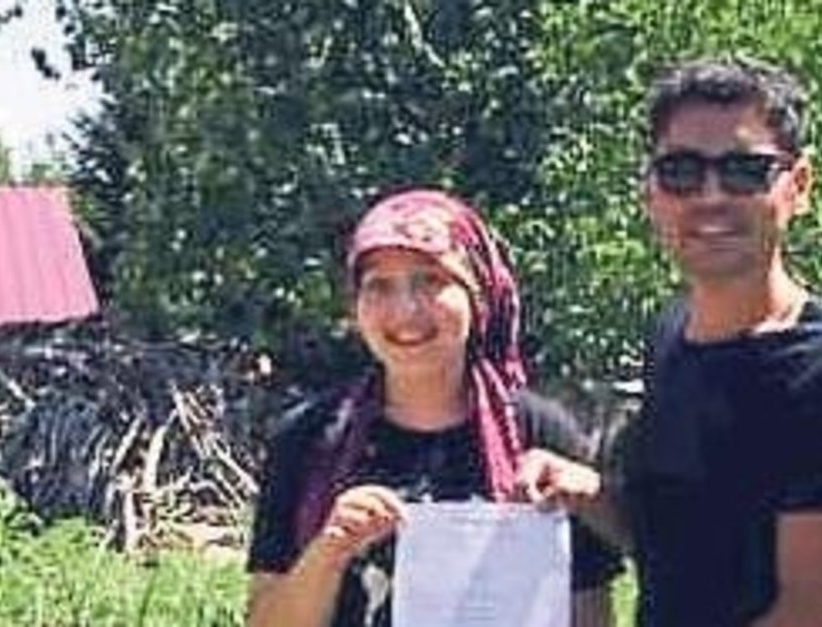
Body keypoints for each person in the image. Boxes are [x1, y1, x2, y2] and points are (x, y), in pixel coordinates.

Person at [521, 57, 822, 626]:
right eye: (681, 171)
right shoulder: (671, 338)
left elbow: (807, 616)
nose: (710, 196)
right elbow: (674, 553)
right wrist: (586, 491)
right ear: (650, 192)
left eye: (745, 171)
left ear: (798, 186)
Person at [246, 189, 622, 627]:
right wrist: (329, 551)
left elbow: (590, 614)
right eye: (380, 286)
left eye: (431, 280)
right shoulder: (308, 439)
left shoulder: (540, 436)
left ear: (478, 295)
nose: (406, 310)